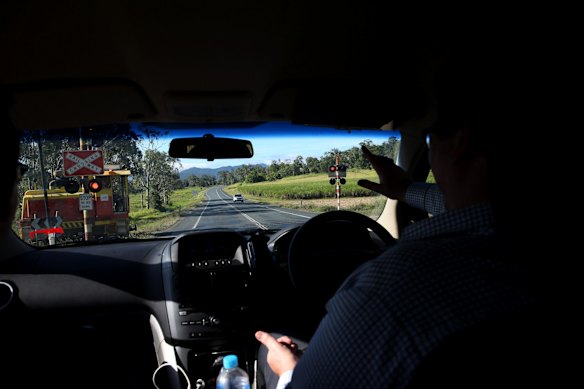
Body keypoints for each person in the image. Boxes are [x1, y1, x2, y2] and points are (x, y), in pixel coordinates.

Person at [254, 44, 552, 388]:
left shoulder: (391, 287)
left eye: (432, 133)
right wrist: (405, 191)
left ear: (460, 139)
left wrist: (289, 371)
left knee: (273, 349)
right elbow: (476, 209)